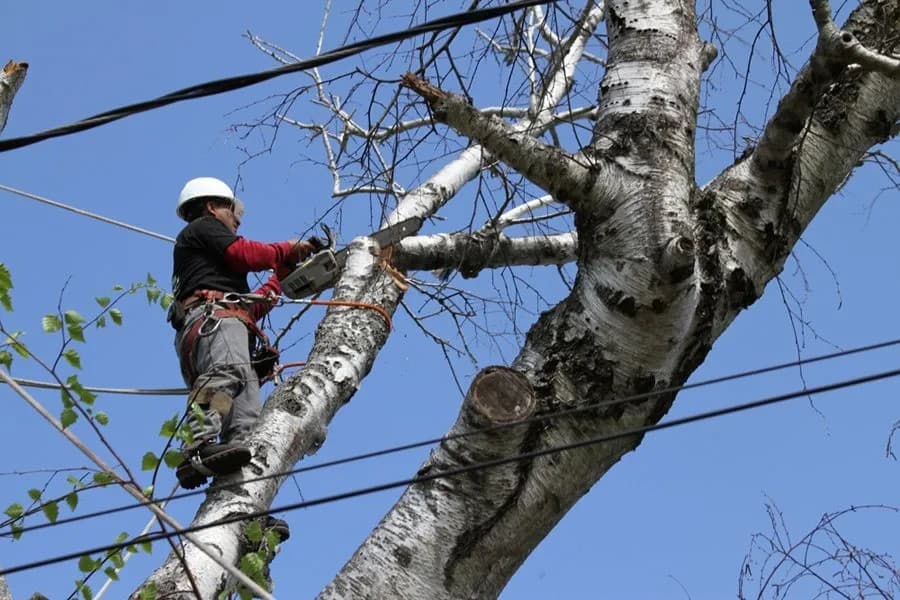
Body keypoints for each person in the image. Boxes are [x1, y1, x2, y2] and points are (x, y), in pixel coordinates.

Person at [168, 177, 317, 501]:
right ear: (211, 207)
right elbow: (245, 254)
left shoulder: (214, 266)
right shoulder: (201, 228)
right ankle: (197, 446)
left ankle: (241, 503)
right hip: (212, 323)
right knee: (226, 376)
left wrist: (282, 277)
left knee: (246, 424)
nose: (238, 218)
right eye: (233, 210)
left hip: (228, 325)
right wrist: (283, 251)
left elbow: (252, 306)